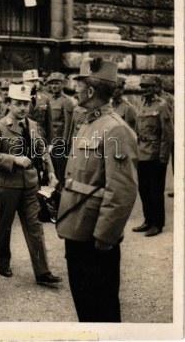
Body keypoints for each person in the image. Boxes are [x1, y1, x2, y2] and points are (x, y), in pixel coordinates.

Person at [56, 57, 138, 322]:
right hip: (77, 228)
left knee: (101, 310)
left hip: (94, 236)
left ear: (90, 91)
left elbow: (122, 191)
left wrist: (105, 236)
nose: (75, 90)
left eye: (78, 85)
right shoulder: (89, 122)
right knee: (85, 305)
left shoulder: (115, 130)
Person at [0, 84, 62, 286]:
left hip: (30, 184)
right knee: (5, 226)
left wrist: (51, 172)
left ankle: (43, 272)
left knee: (35, 227)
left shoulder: (33, 125)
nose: (22, 108)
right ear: (9, 104)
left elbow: (42, 150)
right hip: (7, 185)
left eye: (25, 104)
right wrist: (14, 159)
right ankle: (3, 262)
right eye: (18, 103)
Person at [132, 74, 174, 237]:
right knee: (144, 190)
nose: (144, 89)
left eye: (147, 86)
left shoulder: (162, 105)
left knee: (156, 191)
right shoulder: (141, 104)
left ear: (155, 87)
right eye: (142, 86)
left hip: (155, 155)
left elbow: (167, 134)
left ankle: (158, 223)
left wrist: (163, 158)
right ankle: (148, 220)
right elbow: (137, 129)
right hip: (141, 153)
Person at [47, 72, 74, 187]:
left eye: (57, 84)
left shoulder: (66, 101)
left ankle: (61, 196)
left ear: (63, 84)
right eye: (52, 84)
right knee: (51, 171)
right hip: (50, 141)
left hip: (60, 142)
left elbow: (68, 124)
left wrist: (65, 142)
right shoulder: (49, 100)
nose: (54, 86)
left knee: (61, 171)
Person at [22, 69, 54, 145]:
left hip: (40, 137)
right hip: (23, 137)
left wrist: (50, 143)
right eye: (31, 81)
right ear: (24, 82)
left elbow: (48, 122)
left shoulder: (44, 98)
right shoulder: (20, 98)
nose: (34, 84)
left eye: (36, 81)